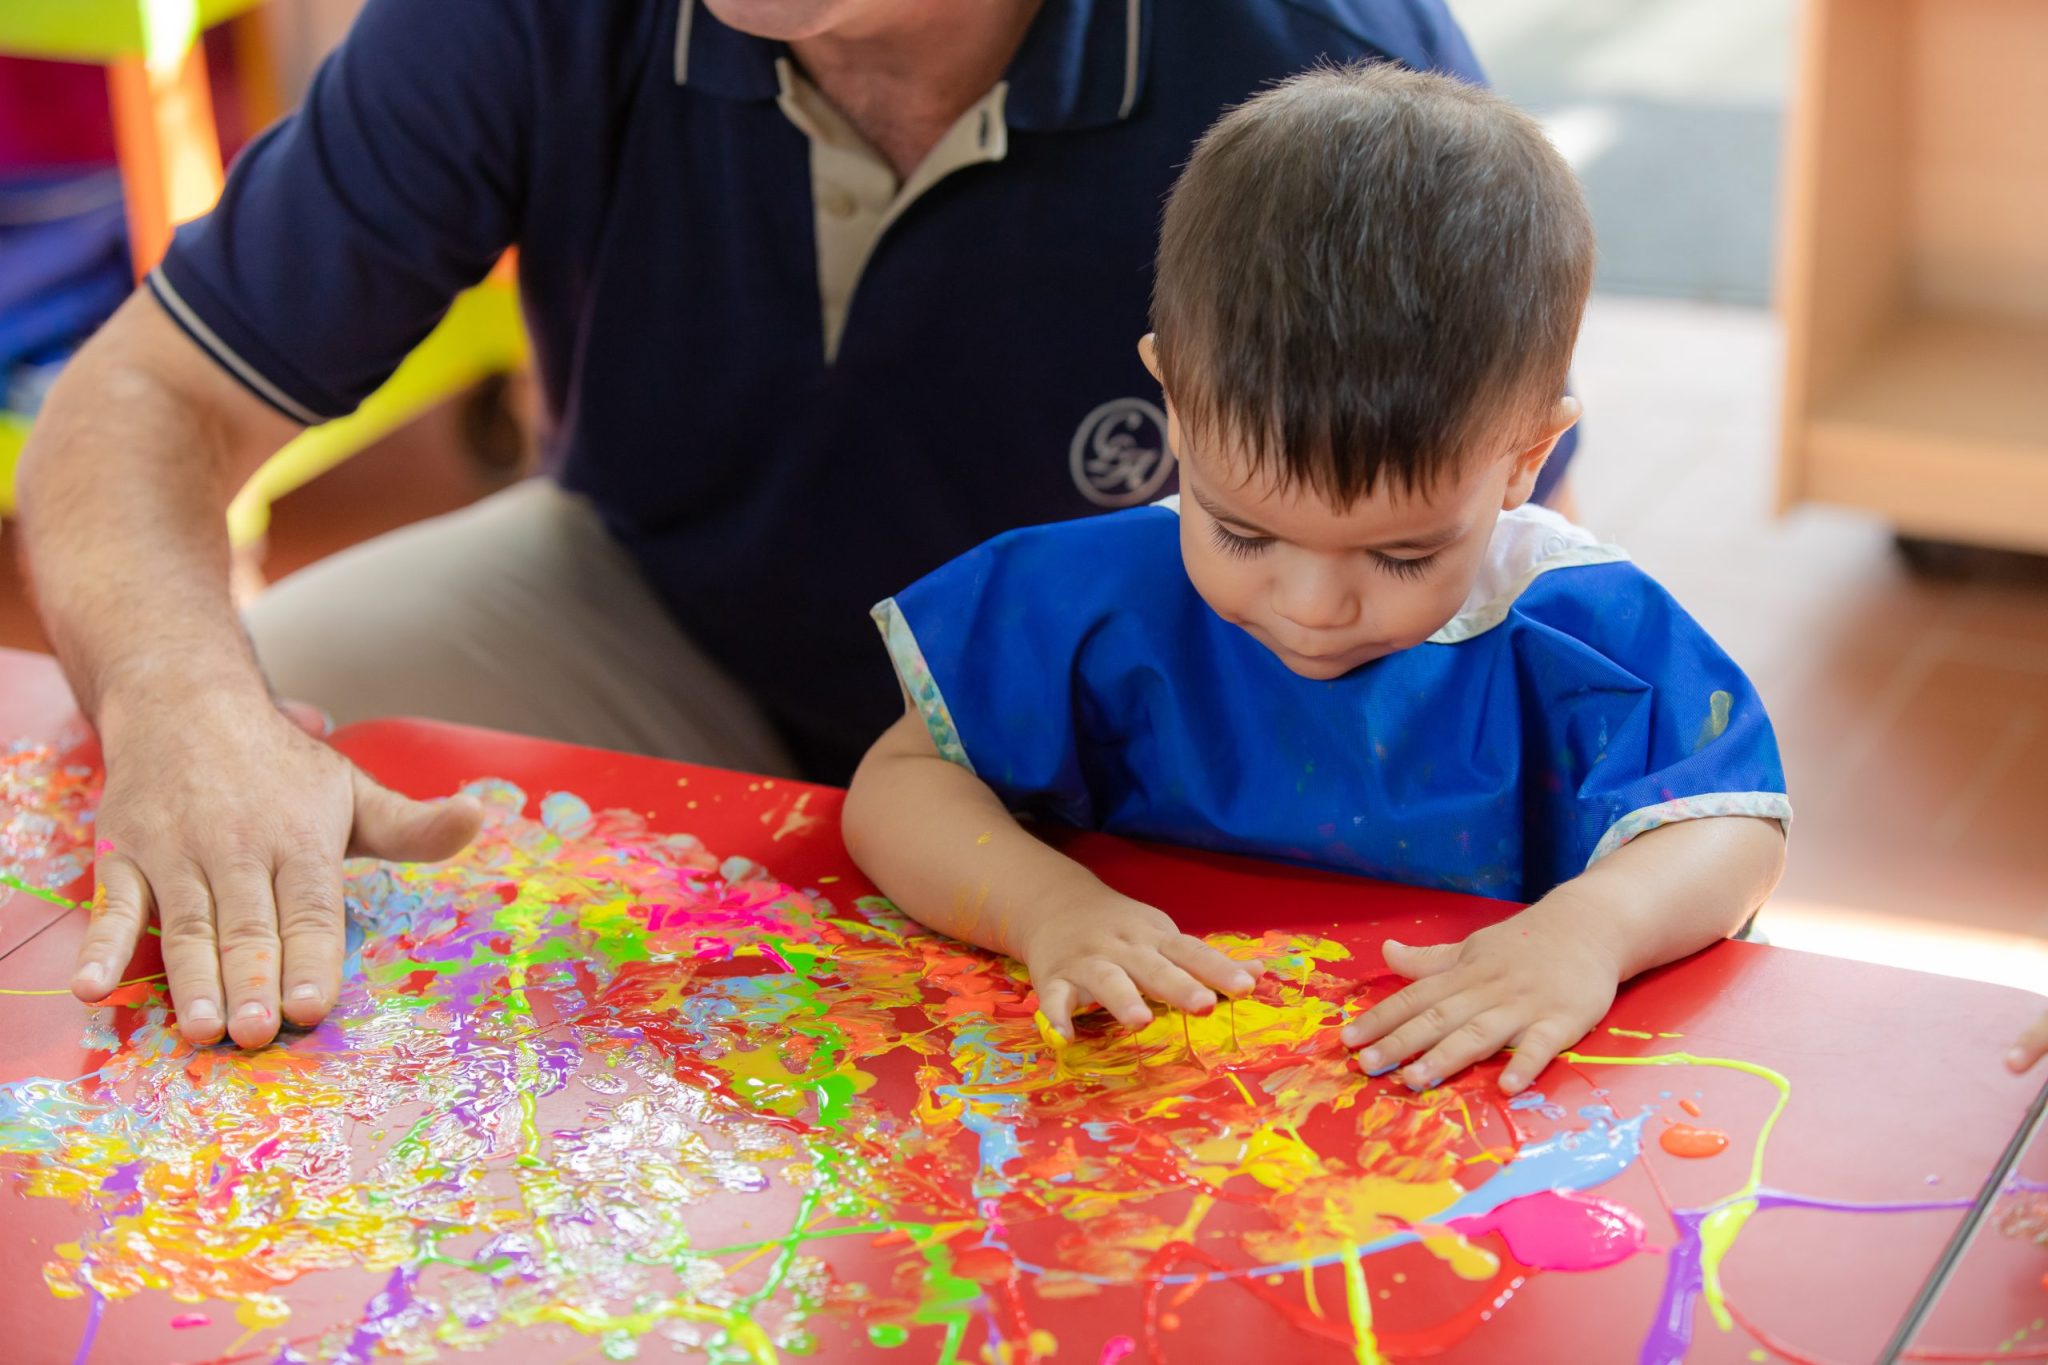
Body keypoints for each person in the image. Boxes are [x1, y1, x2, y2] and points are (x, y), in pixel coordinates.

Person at [17, 0, 1574, 1050]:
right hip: (668, 598)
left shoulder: (1318, 60)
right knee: (233, 735)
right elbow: (150, 395)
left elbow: (1463, 596)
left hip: (1140, 742)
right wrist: (183, 699)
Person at [841, 64, 1791, 1095]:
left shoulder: (1575, 631)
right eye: (1243, 533)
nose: (1312, 605)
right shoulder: (1086, 603)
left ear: (1524, 456)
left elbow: (1728, 823)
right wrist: (1043, 907)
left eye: (1400, 555)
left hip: (1447, 1121)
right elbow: (897, 789)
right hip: (1145, 1098)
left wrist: (1588, 933)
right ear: (1175, 404)